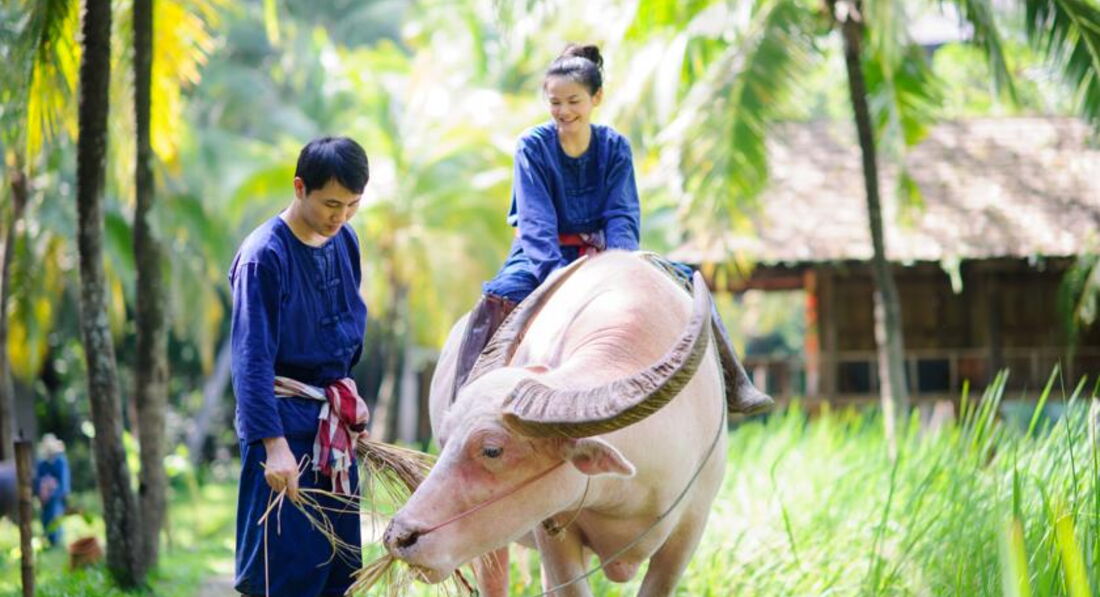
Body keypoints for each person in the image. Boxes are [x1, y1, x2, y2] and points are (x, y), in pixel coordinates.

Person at [452, 44, 770, 417]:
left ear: (596, 98)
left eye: (574, 101)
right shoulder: (532, 147)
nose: (564, 111)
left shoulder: (615, 146)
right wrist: (558, 276)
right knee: (500, 296)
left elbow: (622, 215)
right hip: (541, 255)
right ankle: (466, 397)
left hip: (606, 253)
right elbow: (536, 224)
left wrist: (622, 267)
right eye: (555, 102)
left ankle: (734, 381)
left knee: (686, 282)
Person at [229, 136, 371, 597]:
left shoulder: (345, 240)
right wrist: (273, 447)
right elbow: (250, 362)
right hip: (283, 428)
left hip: (333, 430)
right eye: (331, 204)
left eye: (352, 205)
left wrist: (350, 407)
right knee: (285, 573)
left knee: (338, 571)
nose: (340, 216)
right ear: (299, 187)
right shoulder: (263, 257)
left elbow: (347, 333)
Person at [33, 433, 70, 548]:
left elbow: (64, 481)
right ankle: (48, 541)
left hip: (56, 496)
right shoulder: (41, 463)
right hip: (44, 498)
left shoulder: (60, 461)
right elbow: (38, 480)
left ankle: (56, 542)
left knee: (56, 517)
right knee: (45, 519)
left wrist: (56, 492)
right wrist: (41, 492)